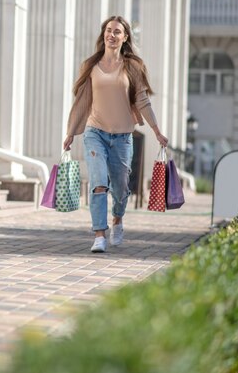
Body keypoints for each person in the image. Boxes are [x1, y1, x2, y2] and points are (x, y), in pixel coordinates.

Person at [63, 15, 168, 253]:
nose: (111, 35)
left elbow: (142, 101)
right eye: (108, 30)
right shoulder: (91, 65)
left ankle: (118, 218)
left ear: (125, 37)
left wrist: (156, 131)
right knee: (99, 182)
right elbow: (82, 102)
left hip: (122, 137)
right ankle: (99, 234)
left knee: (120, 189)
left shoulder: (133, 67)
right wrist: (71, 132)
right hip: (95, 132)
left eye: (117, 31)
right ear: (104, 35)